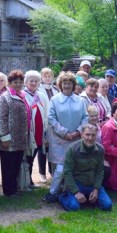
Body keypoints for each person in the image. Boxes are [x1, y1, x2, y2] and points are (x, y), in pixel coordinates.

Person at [43, 71, 88, 202]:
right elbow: (51, 118)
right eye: (64, 83)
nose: (67, 86)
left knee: (75, 167)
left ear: (73, 85)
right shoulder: (54, 100)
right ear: (60, 85)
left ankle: (70, 190)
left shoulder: (80, 100)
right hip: (60, 139)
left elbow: (85, 117)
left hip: (76, 139)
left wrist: (77, 132)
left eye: (69, 83)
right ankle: (53, 192)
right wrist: (64, 133)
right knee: (60, 170)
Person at [59, 124, 112, 212]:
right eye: (87, 134)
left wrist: (96, 189)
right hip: (77, 183)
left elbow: (100, 171)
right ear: (82, 134)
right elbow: (67, 172)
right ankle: (62, 197)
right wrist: (76, 192)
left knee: (107, 206)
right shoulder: (72, 149)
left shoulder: (100, 149)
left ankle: (89, 197)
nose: (90, 138)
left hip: (92, 183)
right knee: (74, 207)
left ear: (96, 135)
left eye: (93, 135)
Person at [0, 70, 30, 197]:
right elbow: (1, 118)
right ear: (9, 83)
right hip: (8, 139)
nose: (18, 84)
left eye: (21, 82)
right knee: (8, 167)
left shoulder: (22, 96)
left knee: (15, 166)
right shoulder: (4, 97)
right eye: (15, 82)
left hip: (20, 138)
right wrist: (4, 138)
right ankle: (9, 191)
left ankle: (14, 188)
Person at [23, 70, 49, 187]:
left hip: (40, 133)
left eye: (36, 81)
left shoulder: (41, 95)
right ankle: (26, 180)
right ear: (26, 82)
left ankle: (29, 180)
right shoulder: (23, 95)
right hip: (29, 133)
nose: (33, 83)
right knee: (28, 157)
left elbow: (47, 113)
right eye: (31, 81)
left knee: (34, 156)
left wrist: (45, 133)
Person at [87, 105, 112, 184]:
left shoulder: (97, 126)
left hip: (99, 154)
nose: (94, 118)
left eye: (96, 115)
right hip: (90, 156)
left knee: (107, 168)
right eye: (92, 116)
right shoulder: (88, 128)